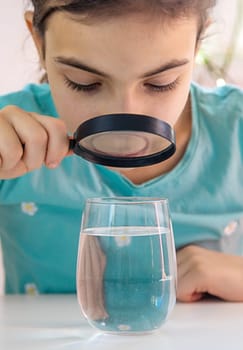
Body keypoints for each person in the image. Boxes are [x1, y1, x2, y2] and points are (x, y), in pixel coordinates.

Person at [0, 0, 243, 302]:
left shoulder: (236, 128)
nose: (125, 120)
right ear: (39, 42)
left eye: (160, 83)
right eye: (84, 83)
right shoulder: (10, 130)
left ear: (196, 46)